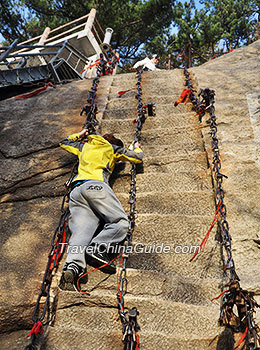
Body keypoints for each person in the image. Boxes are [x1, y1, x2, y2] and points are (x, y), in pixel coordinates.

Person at [59, 129, 143, 289]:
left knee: (81, 232)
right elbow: (137, 158)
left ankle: (72, 268)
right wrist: (135, 147)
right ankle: (97, 247)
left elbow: (64, 142)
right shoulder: (112, 148)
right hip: (96, 186)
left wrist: (80, 134)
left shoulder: (85, 146)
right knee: (120, 222)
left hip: (77, 191)